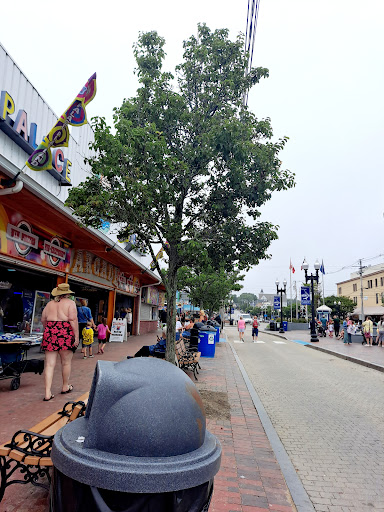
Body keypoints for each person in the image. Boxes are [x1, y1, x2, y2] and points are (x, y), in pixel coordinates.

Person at [40, 283, 79, 401]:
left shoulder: (49, 304)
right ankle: (65, 386)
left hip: (50, 331)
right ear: (67, 293)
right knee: (66, 362)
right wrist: (76, 337)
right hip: (65, 331)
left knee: (49, 364)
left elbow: (43, 319)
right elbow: (72, 320)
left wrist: (50, 330)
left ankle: (47, 393)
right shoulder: (70, 303)